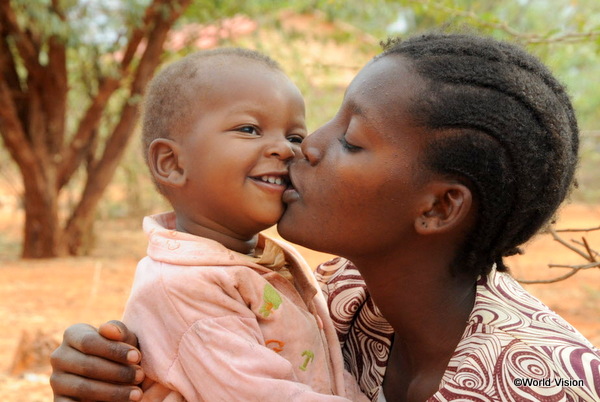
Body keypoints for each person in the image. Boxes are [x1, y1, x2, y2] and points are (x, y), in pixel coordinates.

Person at [50, 33, 600, 402]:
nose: (303, 148)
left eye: (351, 141)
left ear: (436, 207)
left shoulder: (548, 380)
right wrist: (114, 369)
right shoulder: (338, 295)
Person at [70, 47, 367, 401]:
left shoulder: (263, 260)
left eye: (294, 137)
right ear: (172, 163)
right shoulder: (181, 287)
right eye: (249, 129)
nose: (285, 150)